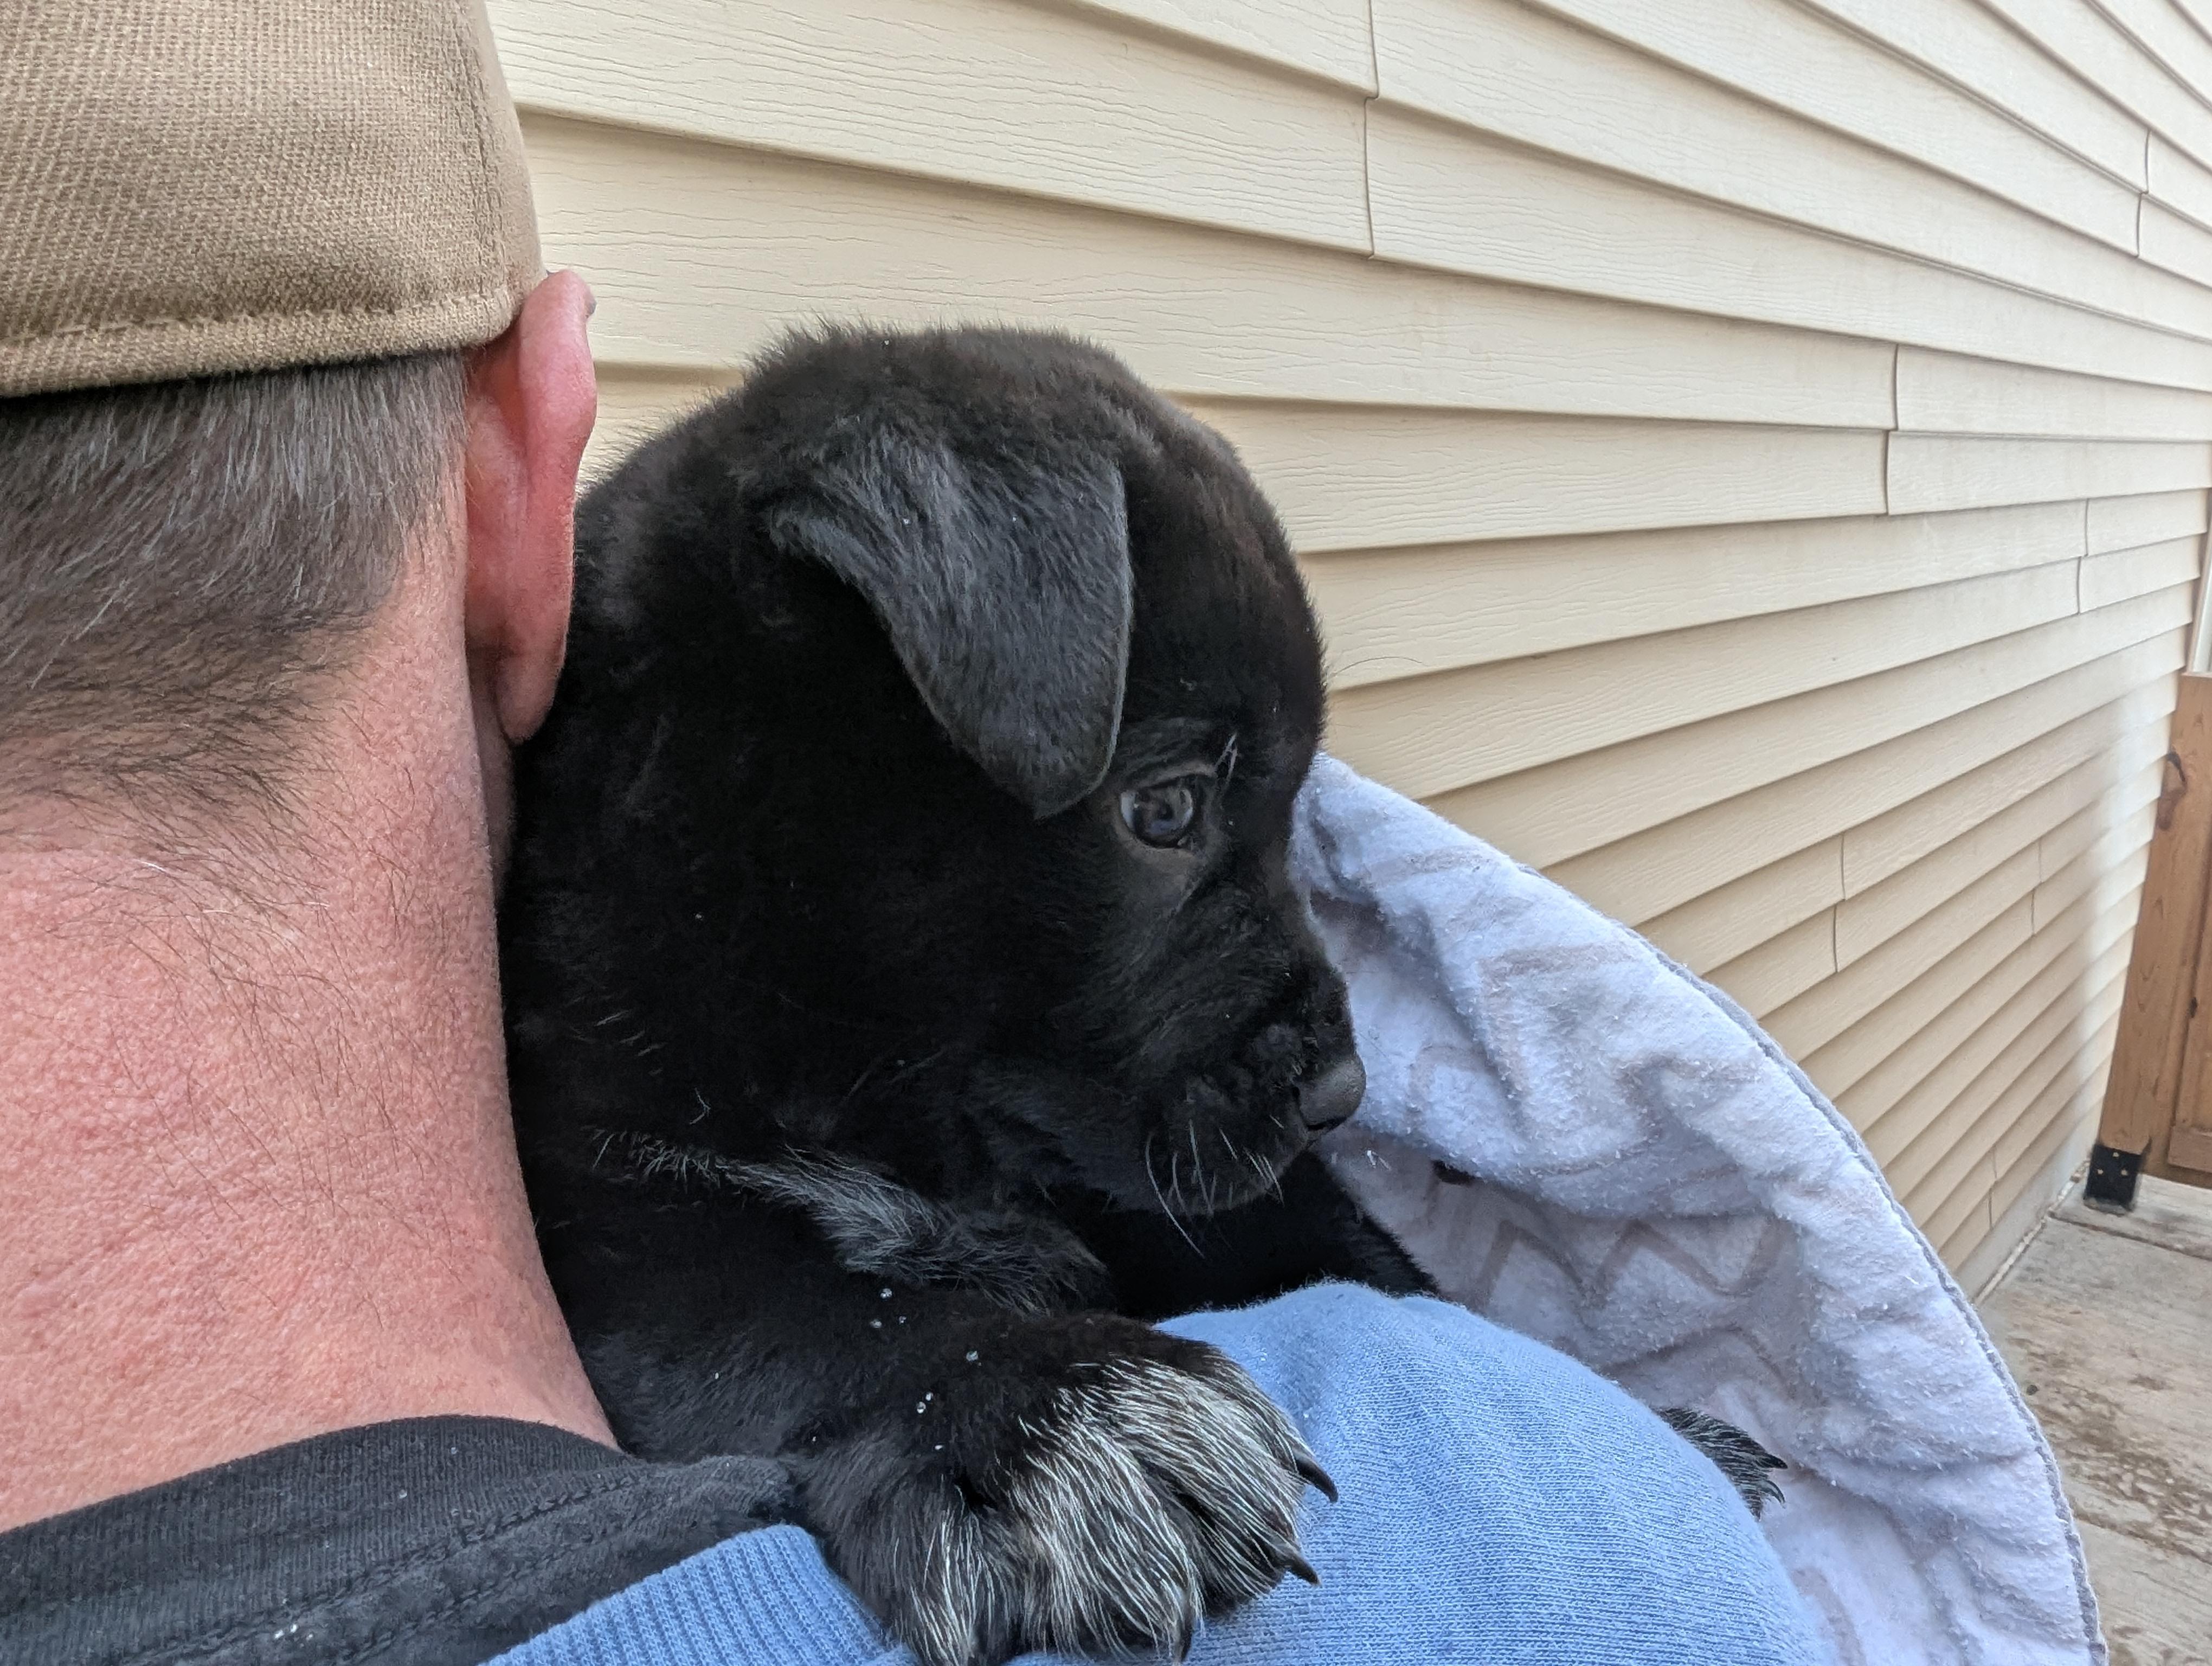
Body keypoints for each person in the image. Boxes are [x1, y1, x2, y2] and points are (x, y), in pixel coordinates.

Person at [0, 4, 1834, 1663]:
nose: (1328, 1043)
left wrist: (1549, 1391)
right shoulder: (602, 999)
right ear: (519, 479)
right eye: (1178, 809)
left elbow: (1254, 1215)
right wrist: (926, 1391)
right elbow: (653, 1286)